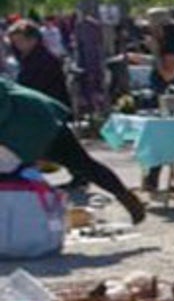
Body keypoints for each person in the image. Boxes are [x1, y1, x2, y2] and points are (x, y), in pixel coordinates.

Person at [0, 75, 144, 223]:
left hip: (31, 122)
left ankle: (127, 199)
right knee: (84, 164)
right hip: (36, 118)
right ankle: (126, 197)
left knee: (80, 164)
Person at [7, 21, 71, 110]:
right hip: (37, 106)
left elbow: (32, 87)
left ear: (33, 39)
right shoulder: (27, 59)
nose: (17, 45)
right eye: (14, 42)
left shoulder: (45, 60)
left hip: (50, 109)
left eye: (20, 40)